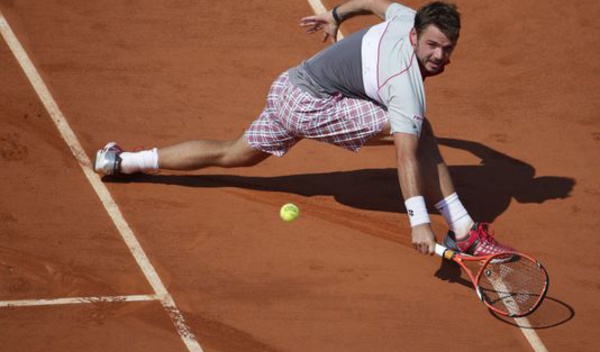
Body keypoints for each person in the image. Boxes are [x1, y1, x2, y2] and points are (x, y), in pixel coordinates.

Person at [95, 0, 514, 257]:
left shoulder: (408, 17)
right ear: (415, 37)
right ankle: (464, 230)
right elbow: (405, 153)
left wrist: (334, 15)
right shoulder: (405, 87)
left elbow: (369, 2)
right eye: (432, 46)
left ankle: (121, 161)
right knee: (419, 130)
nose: (439, 56)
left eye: (447, 48)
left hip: (290, 87)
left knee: (234, 153)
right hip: (313, 105)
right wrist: (418, 221)